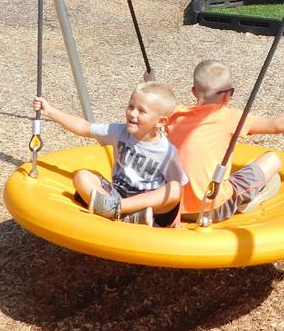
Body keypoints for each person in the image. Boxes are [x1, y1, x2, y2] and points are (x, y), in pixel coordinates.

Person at [168, 60, 284, 224]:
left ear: (193, 92)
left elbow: (153, 102)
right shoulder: (228, 117)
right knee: (272, 159)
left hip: (171, 205)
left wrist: (149, 81)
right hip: (212, 208)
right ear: (228, 95)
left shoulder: (174, 113)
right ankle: (247, 201)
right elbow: (277, 125)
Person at [32, 82, 187, 227]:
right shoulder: (118, 131)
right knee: (82, 176)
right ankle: (121, 215)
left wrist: (177, 218)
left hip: (148, 208)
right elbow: (84, 128)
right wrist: (50, 111)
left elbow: (178, 189)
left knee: (174, 188)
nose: (132, 113)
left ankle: (117, 210)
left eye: (141, 111)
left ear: (160, 122)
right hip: (117, 193)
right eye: (130, 106)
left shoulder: (166, 152)